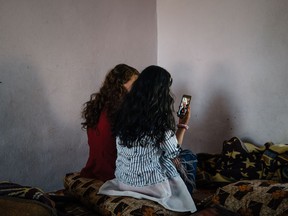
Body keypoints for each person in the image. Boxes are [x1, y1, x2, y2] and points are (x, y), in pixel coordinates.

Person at [98, 65, 197, 213]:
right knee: (189, 157)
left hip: (123, 183)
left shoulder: (122, 114)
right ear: (161, 93)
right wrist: (182, 124)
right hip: (153, 188)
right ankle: (186, 201)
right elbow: (174, 153)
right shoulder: (160, 122)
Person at [80, 64, 139, 182]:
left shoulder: (98, 107)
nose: (137, 90)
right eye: (134, 85)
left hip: (95, 170)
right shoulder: (121, 112)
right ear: (120, 86)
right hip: (113, 175)